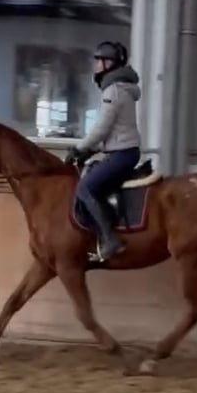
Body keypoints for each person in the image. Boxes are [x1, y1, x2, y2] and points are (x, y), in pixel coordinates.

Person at [65, 41, 142, 261]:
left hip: (123, 154)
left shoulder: (114, 90)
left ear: (111, 64)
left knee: (86, 188)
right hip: (122, 151)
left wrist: (80, 147)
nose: (97, 65)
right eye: (97, 60)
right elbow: (113, 131)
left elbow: (102, 128)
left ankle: (110, 239)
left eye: (101, 60)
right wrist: (90, 152)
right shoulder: (117, 88)